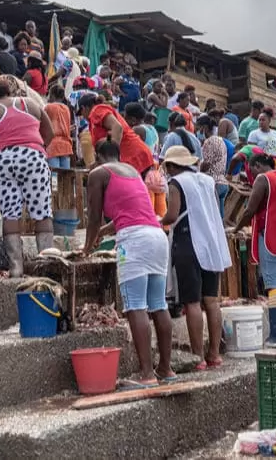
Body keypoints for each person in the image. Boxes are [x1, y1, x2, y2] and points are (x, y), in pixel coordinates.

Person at [85, 140, 173, 387]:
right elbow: (130, 213)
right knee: (158, 304)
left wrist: (86, 248)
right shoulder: (132, 172)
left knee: (136, 306)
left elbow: (92, 217)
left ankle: (146, 373)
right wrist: (102, 233)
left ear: (99, 156)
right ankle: (166, 368)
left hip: (134, 241)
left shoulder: (98, 174)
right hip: (157, 236)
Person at [0, 78, 55, 275]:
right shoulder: (31, 104)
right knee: (42, 212)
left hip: (5, 160)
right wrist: (37, 148)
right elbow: (50, 133)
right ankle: (48, 266)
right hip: (34, 157)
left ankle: (16, 268)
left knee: (10, 213)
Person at [160, 145, 230, 369]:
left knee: (192, 302)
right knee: (211, 300)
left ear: (172, 166)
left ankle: (198, 357)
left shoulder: (176, 183)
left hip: (188, 244)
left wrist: (156, 219)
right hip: (212, 244)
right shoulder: (206, 180)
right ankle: (214, 354)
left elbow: (172, 214)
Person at [233, 153, 276, 343]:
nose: (252, 175)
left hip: (271, 235)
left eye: (252, 170)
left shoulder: (263, 179)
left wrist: (236, 228)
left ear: (258, 166)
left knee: (273, 285)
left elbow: (249, 210)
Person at [78, 92, 155, 176]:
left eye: (81, 113)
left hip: (134, 157)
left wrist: (112, 159)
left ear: (83, 108)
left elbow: (117, 128)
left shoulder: (96, 110)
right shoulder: (94, 119)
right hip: (134, 158)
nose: (81, 116)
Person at [195, 115, 229, 205]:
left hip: (213, 183)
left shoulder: (209, 141)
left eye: (198, 127)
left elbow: (206, 164)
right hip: (223, 183)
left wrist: (197, 172)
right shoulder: (220, 140)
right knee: (219, 218)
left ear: (205, 127)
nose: (197, 131)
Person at [44, 84, 75, 170]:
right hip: (66, 145)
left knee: (54, 176)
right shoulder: (66, 108)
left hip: (52, 145)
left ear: (52, 95)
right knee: (65, 174)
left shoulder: (48, 107)